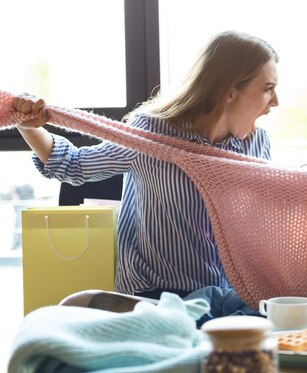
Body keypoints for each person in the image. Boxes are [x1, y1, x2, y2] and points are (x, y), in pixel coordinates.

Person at [13, 31, 280, 310]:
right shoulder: (151, 134)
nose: (275, 102)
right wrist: (26, 123)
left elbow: (264, 228)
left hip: (226, 299)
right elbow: (72, 165)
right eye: (267, 88)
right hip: (154, 299)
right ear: (230, 90)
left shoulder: (256, 143)